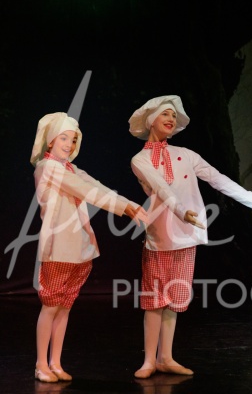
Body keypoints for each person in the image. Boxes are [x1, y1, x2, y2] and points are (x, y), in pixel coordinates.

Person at [128, 95, 252, 379]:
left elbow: (216, 178)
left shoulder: (186, 154)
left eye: (174, 115)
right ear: (151, 120)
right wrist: (181, 210)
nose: (171, 119)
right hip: (161, 233)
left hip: (187, 232)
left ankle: (166, 357)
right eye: (165, 113)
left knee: (175, 298)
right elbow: (161, 187)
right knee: (155, 299)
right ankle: (149, 360)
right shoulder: (140, 159)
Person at [31, 112, 148, 383]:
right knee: (51, 306)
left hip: (79, 248)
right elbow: (86, 191)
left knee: (64, 307)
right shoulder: (47, 167)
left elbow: (95, 185)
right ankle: (41, 364)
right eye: (63, 138)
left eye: (73, 140)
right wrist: (124, 208)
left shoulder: (71, 168)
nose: (69, 144)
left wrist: (129, 204)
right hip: (58, 248)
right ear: (51, 140)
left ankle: (55, 362)